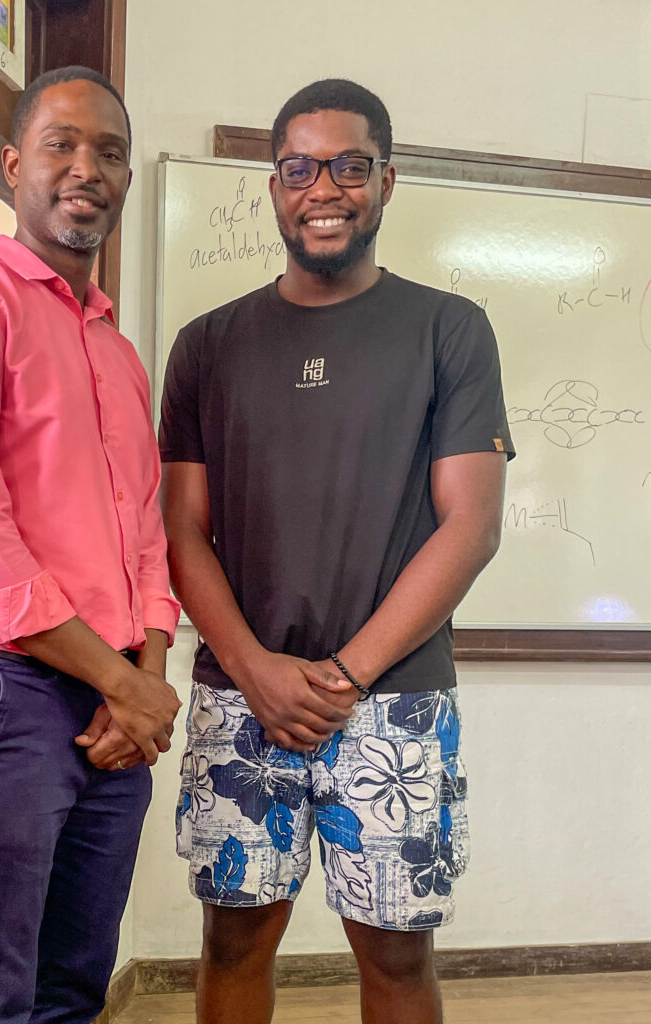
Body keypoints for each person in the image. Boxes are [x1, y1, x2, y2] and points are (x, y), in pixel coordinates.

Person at [159, 78, 514, 1024]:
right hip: (242, 699)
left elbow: (470, 527)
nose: (326, 187)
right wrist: (255, 670)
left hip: (393, 700)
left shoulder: (450, 331)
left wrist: (344, 676)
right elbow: (180, 530)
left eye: (350, 165)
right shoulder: (205, 346)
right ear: (273, 187)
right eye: (300, 168)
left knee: (397, 959)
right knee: (231, 941)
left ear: (387, 181)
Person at [0, 66, 181, 1024]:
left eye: (109, 152)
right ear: (15, 165)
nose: (85, 168)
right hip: (2, 695)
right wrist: (125, 683)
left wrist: (145, 669)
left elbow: (144, 532)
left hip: (112, 714)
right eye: (61, 144)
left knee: (72, 987)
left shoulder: (118, 352)